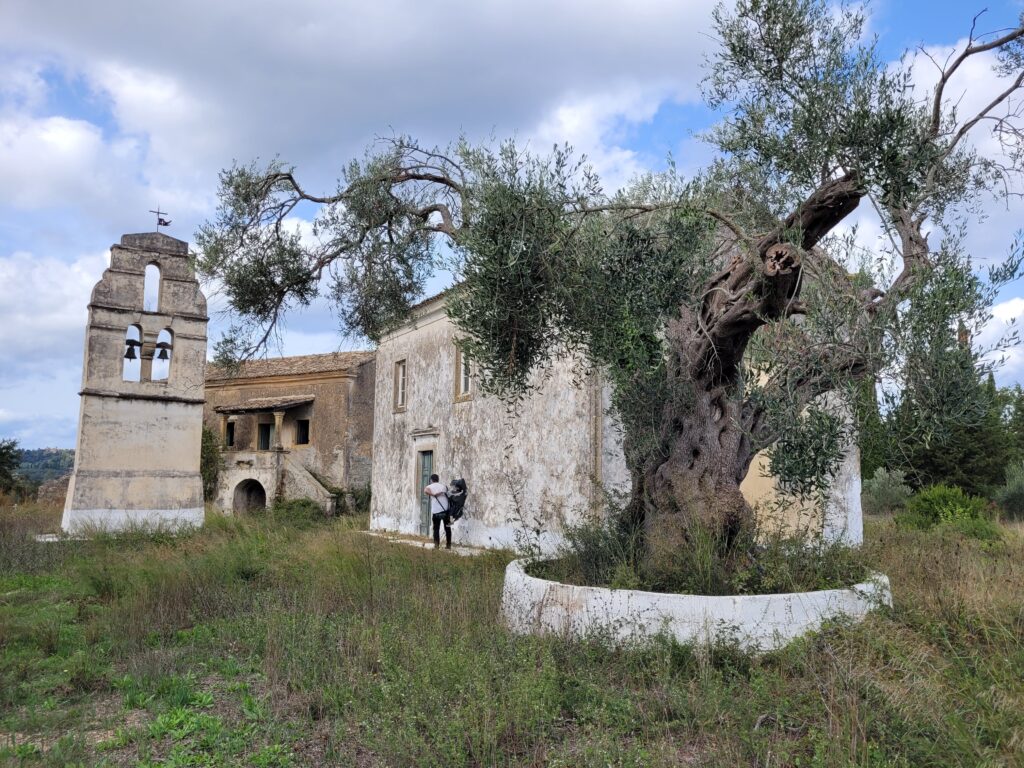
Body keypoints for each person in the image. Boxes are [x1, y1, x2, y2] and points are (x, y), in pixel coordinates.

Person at [423, 473, 451, 549]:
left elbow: (425, 490)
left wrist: (433, 494)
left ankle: (436, 545)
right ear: (438, 480)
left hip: (436, 511)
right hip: (446, 510)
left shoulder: (430, 486)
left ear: (431, 480)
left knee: (436, 529)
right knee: (447, 528)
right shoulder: (443, 486)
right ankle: (448, 545)